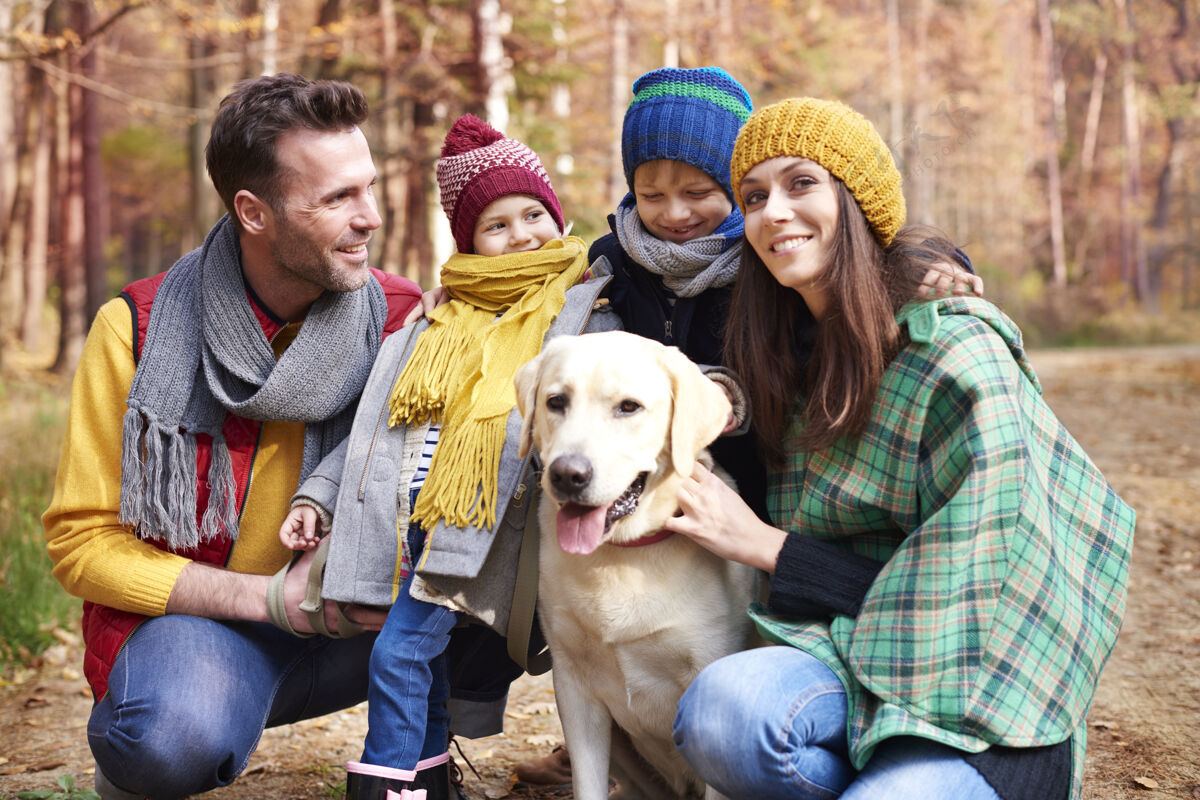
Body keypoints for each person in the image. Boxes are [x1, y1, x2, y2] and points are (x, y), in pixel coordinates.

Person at [514, 66, 984, 789]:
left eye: (701, 192)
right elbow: (530, 281)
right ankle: (624, 747)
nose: (674, 213)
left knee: (726, 689)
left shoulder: (764, 271)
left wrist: (929, 259)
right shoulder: (611, 265)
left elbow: (863, 253)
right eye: (651, 193)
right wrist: (450, 292)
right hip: (667, 493)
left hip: (762, 506)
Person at [664, 97, 1136, 799]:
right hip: (852, 653)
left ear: (857, 201)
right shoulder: (784, 357)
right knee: (721, 715)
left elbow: (974, 596)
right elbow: (657, 230)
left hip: (987, 690)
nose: (774, 213)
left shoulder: (954, 350)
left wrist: (769, 547)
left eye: (802, 184)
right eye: (754, 197)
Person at [40, 73, 425, 799]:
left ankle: (429, 752)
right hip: (212, 626)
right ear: (254, 211)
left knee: (525, 604)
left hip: (363, 618)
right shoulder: (138, 330)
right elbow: (82, 545)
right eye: (337, 198)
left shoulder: (406, 320)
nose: (370, 216)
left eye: (367, 187)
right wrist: (270, 601)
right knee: (164, 738)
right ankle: (191, 712)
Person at [279, 113, 619, 800]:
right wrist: (317, 494)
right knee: (419, 658)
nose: (522, 234)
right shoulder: (434, 324)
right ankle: (430, 777)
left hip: (487, 526)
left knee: (401, 651)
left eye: (533, 214)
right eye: (497, 226)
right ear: (470, 242)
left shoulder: (587, 309)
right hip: (409, 523)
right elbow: (378, 426)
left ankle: (391, 781)